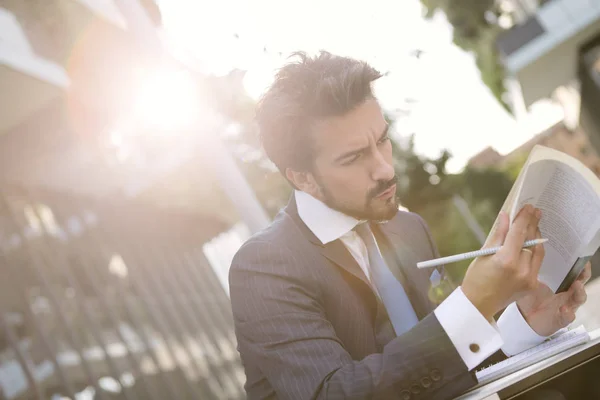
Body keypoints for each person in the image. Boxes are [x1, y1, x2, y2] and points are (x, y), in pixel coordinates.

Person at [228, 51, 591, 399]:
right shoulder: (264, 268)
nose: (385, 168)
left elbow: (446, 370)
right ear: (303, 178)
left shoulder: (410, 229)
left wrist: (528, 321)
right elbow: (335, 394)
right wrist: (475, 302)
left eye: (382, 140)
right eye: (354, 157)